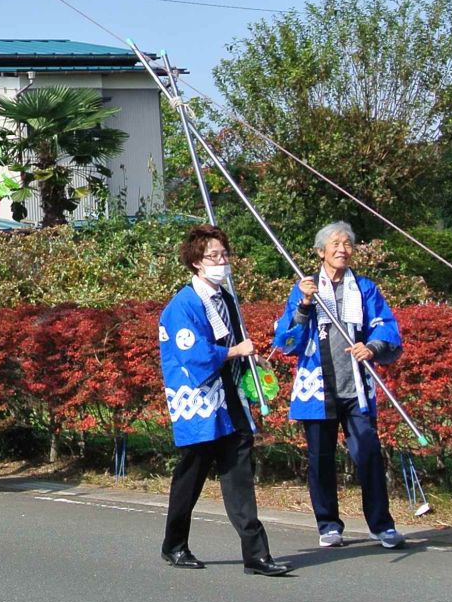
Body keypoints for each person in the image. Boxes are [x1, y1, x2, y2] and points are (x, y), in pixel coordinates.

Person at [157, 226, 289, 577]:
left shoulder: (225, 298)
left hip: (230, 399)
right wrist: (234, 351)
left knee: (239, 476)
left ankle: (256, 554)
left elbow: (236, 341)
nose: (221, 262)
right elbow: (192, 353)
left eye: (224, 254)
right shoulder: (182, 305)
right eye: (214, 256)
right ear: (197, 262)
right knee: (191, 477)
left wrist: (249, 358)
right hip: (198, 401)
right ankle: (174, 544)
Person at [272, 221, 406, 549]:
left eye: (347, 244)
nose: (342, 249)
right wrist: (304, 305)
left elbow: (385, 326)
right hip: (318, 388)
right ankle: (328, 524)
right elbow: (286, 341)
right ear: (321, 252)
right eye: (335, 244)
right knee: (321, 459)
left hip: (356, 386)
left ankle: (381, 525)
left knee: (369, 455)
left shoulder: (365, 288)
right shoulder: (304, 288)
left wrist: (372, 347)